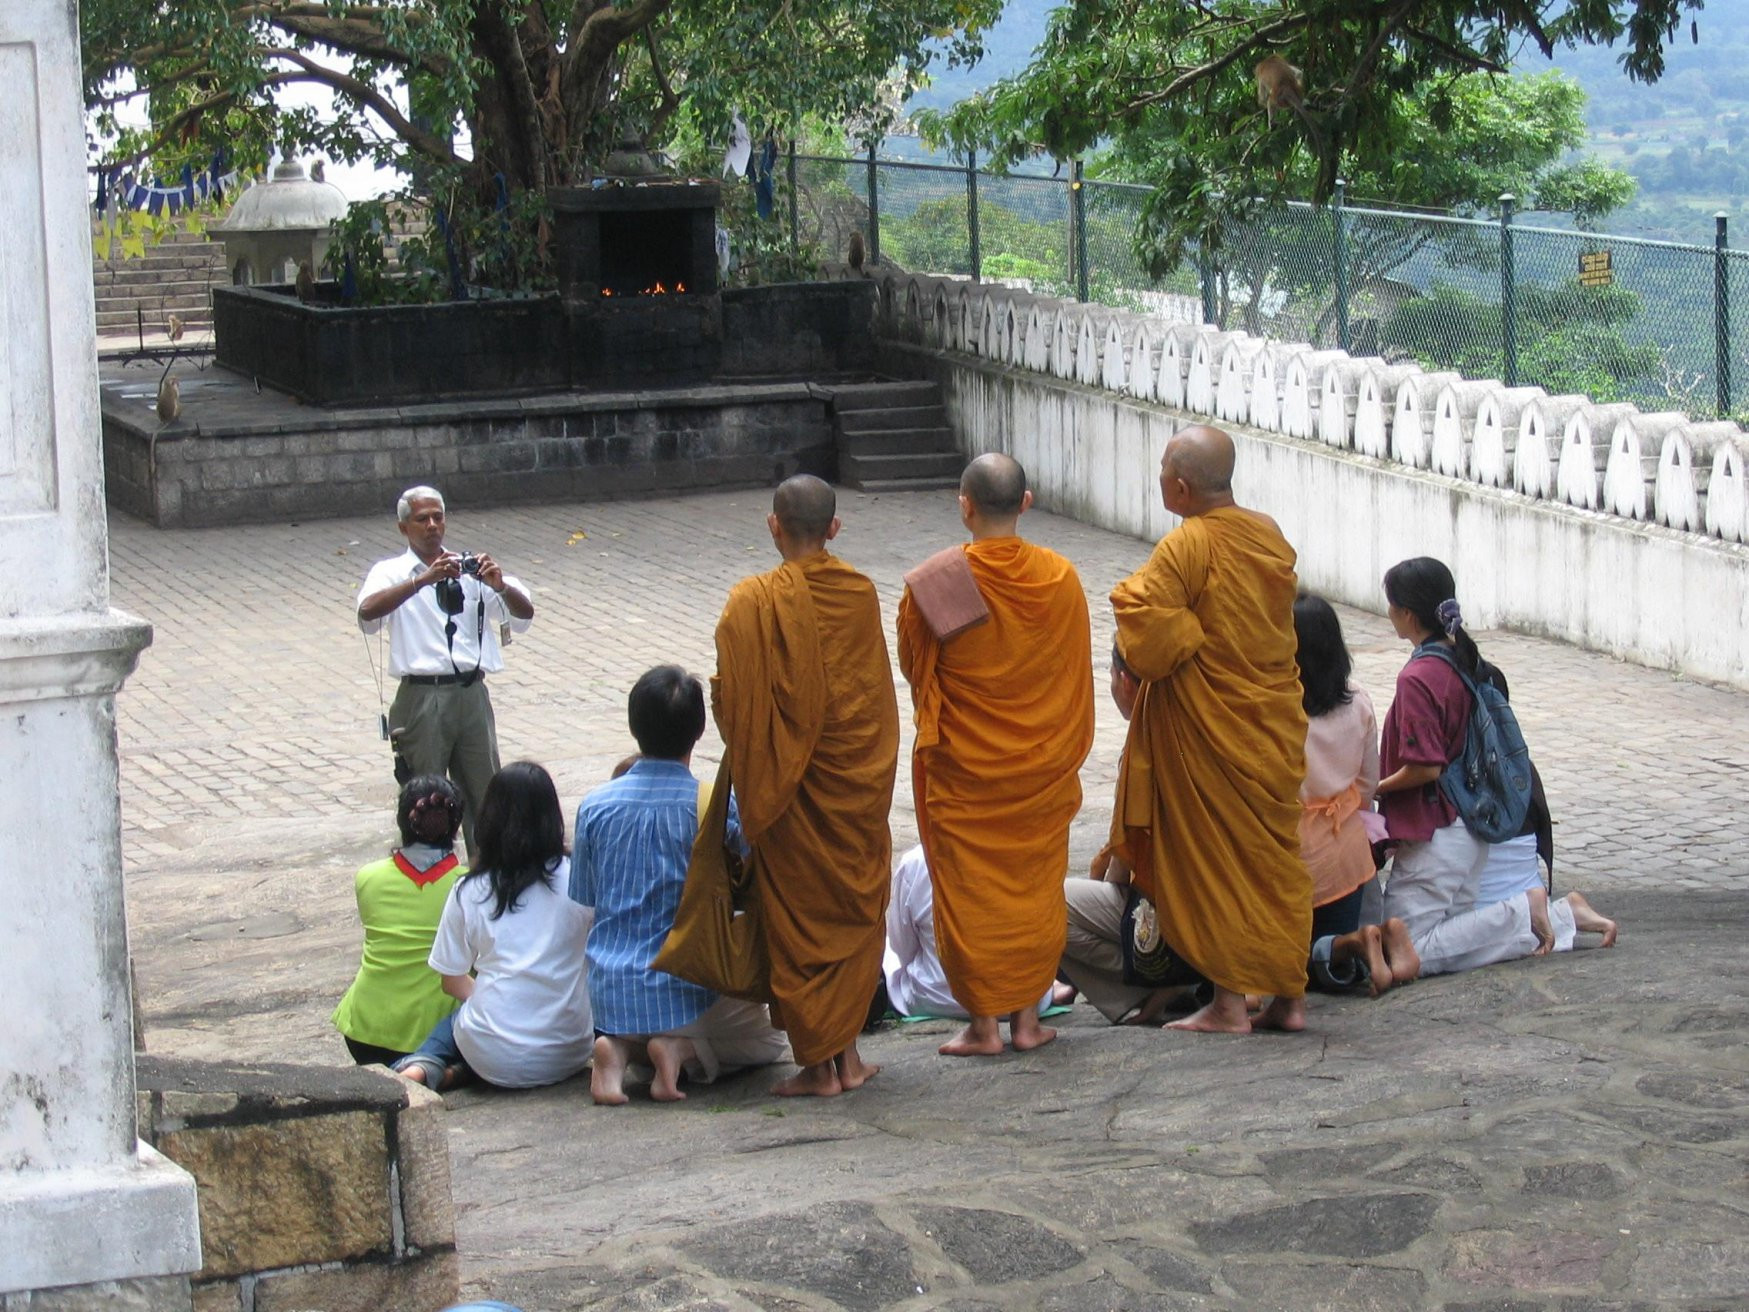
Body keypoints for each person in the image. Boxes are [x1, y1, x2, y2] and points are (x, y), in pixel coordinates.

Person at [1105, 425, 1311, 1034]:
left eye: (1162, 470)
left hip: (1214, 734)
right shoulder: (1267, 534)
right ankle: (1289, 1000)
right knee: (1272, 863)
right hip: (1268, 725)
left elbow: (1147, 640)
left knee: (1220, 862)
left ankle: (1228, 1004)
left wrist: (1187, 630)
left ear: (1180, 487)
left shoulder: (1187, 545)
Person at [898, 453, 1095, 1056]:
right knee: (1034, 894)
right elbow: (1071, 672)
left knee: (972, 899)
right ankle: (1027, 1023)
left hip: (967, 775)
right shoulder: (1059, 578)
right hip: (1038, 770)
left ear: (965, 507)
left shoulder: (937, 583)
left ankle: (984, 1027)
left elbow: (915, 667)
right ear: (1026, 503)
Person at [711, 475, 900, 1097]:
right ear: (834, 528)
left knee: (800, 920)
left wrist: (765, 748)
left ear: (774, 525)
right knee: (848, 910)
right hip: (852, 787)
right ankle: (847, 1060)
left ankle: (821, 1068)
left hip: (790, 796)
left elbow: (735, 703)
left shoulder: (751, 603)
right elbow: (873, 701)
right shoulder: (858, 594)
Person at [1375, 558, 1617, 974]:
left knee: (1399, 949)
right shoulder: (1461, 660)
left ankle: (1527, 912)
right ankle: (1554, 917)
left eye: (1392, 605)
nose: (1389, 612)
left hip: (1437, 828)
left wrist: (1373, 788)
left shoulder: (1417, 676)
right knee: (1448, 935)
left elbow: (1425, 767)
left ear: (1408, 614)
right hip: (1468, 827)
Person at [572, 665, 788, 1106]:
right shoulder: (712, 805)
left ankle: (618, 1050)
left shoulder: (593, 806)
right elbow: (753, 873)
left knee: (633, 1021)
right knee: (769, 1041)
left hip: (610, 994)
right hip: (689, 988)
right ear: (699, 731)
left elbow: (587, 896)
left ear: (633, 725)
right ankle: (680, 1051)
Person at [394, 762, 594, 1090]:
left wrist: (497, 1002)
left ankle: (423, 1065)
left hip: (491, 1053)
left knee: (459, 1021)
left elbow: (451, 981)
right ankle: (449, 1072)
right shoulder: (581, 877)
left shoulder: (469, 890)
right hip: (569, 1049)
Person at [357, 486, 535, 853]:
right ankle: (429, 873)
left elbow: (524, 614)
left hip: (471, 693)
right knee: (425, 799)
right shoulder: (390, 571)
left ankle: (488, 872)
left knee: (486, 792)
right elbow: (367, 614)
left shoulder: (468, 568)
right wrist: (421, 580)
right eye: (422, 519)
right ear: (403, 527)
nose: (432, 526)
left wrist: (499, 586)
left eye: (438, 517)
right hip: (421, 695)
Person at [1059, 646, 1207, 1025]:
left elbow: (1124, 862)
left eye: (1110, 676)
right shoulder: (1205, 730)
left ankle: (1159, 980)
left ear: (1125, 682)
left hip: (1167, 910)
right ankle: (1182, 975)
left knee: (1044, 906)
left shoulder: (1144, 747)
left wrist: (1105, 882)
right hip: (1216, 907)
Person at [1291, 594, 1419, 994]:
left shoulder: (1276, 708)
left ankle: (1359, 943)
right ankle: (1378, 938)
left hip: (1292, 850)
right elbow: (1367, 783)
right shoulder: (1358, 700)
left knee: (1288, 963)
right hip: (1346, 849)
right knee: (1331, 953)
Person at [331, 776, 467, 1065]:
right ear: (456, 826)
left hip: (365, 1033)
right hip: (437, 1038)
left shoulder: (368, 877)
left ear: (402, 820)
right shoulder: (469, 887)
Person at [880, 845, 1055, 1022]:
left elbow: (902, 947)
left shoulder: (917, 860)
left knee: (885, 949)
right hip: (1019, 1001)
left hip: (933, 997)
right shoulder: (1022, 850)